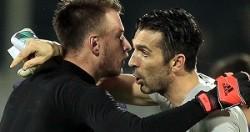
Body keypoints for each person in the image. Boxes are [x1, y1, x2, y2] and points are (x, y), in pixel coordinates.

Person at [3, 1, 250, 132]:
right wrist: (210, 100)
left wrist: (60, 50)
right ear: (95, 45)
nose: (128, 50)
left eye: (144, 51)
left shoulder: (32, 82)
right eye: (119, 36)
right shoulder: (81, 94)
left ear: (177, 62)